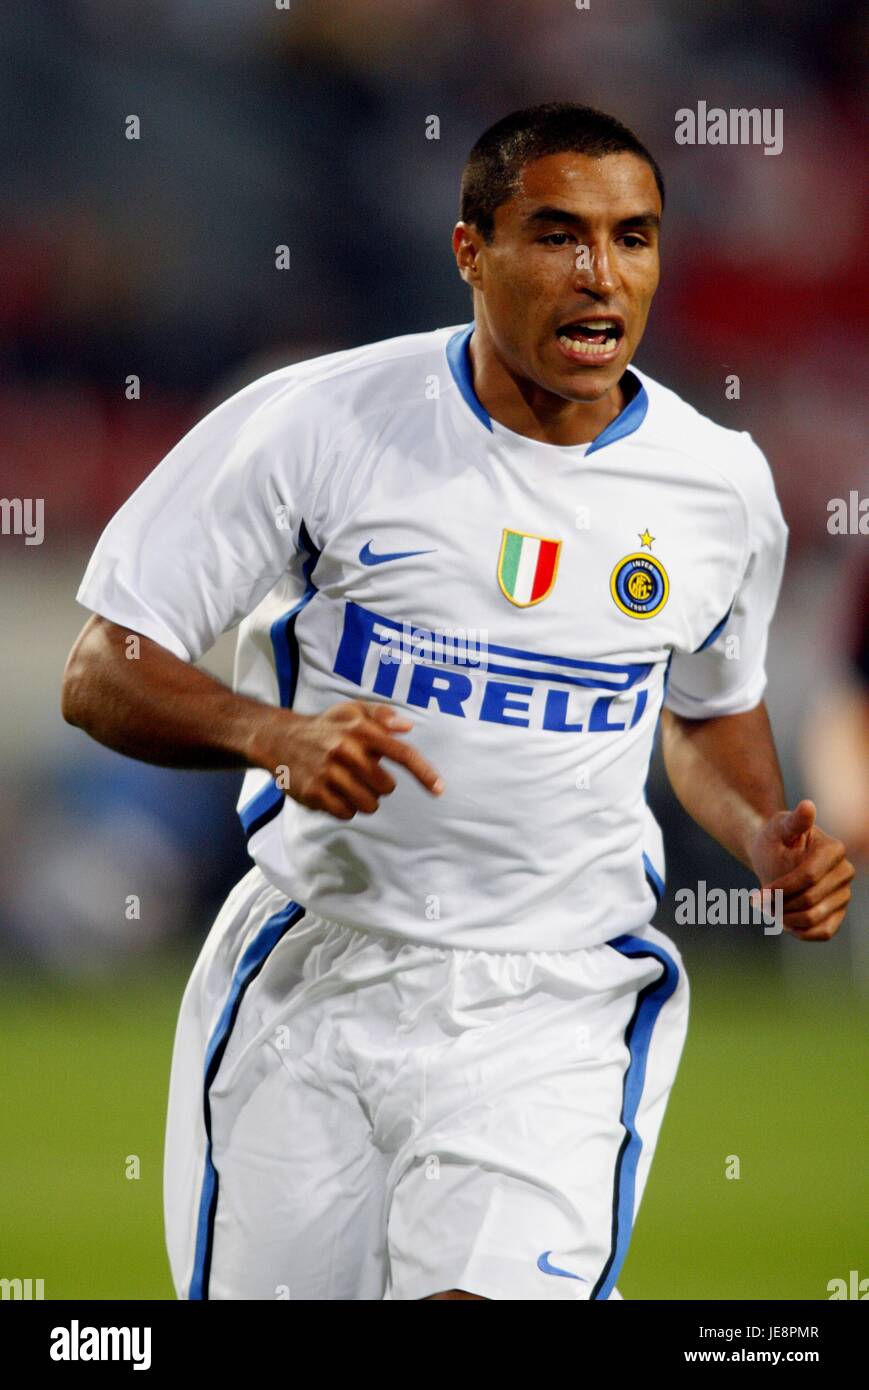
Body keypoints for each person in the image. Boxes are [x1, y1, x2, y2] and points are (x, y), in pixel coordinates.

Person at [61, 103, 854, 1301]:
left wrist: (758, 834)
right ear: (469, 251)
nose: (599, 274)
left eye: (632, 237)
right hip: (315, 974)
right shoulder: (320, 420)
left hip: (553, 995)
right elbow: (102, 667)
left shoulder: (717, 486)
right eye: (555, 234)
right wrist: (271, 735)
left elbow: (702, 708)